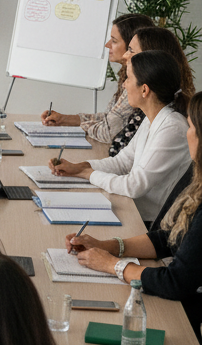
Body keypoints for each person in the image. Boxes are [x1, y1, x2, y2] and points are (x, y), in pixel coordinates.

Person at [67, 90, 202, 344]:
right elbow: (169, 238)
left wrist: (111, 265)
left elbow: (176, 283)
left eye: (192, 127)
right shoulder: (197, 174)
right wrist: (107, 246)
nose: (187, 133)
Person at [50, 50, 190, 223]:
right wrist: (80, 167)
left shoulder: (172, 128)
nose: (124, 85)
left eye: (128, 79)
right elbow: (122, 162)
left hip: (149, 223)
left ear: (144, 89)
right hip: (131, 209)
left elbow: (134, 185)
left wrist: (88, 174)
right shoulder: (152, 117)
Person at [41, 13, 153, 150]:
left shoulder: (139, 81)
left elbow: (107, 131)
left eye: (114, 41)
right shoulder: (127, 76)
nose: (107, 45)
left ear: (133, 45)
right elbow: (109, 117)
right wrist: (64, 119)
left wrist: (79, 126)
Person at [109, 26, 198, 156]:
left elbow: (137, 174)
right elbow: (123, 159)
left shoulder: (170, 121)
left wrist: (86, 171)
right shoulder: (149, 112)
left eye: (131, 50)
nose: (125, 55)